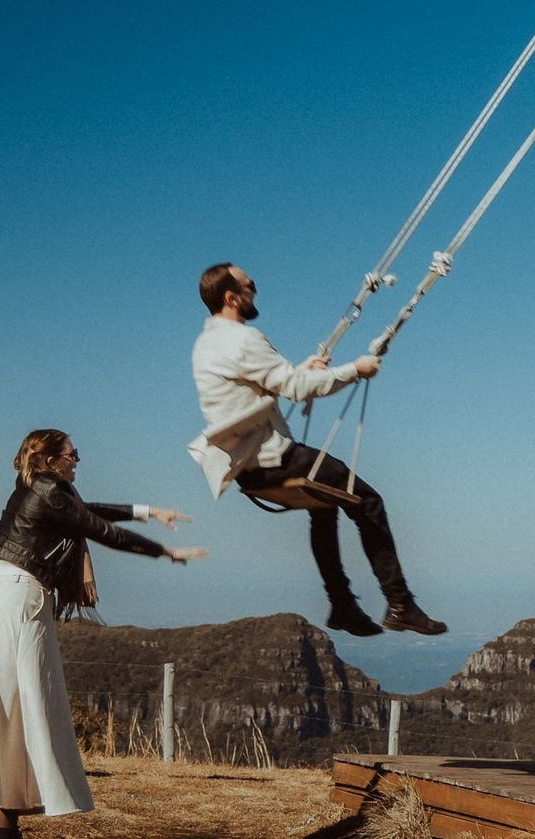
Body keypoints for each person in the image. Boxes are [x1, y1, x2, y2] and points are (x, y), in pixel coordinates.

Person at [0, 429, 205, 839]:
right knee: (0, 720)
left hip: (18, 602)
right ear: (48, 459)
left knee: (14, 724)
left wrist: (149, 512)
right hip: (20, 606)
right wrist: (165, 552)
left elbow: (89, 513)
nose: (77, 460)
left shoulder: (43, 489)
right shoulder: (47, 491)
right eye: (71, 455)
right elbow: (98, 528)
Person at [187, 261, 447, 637]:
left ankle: (342, 605)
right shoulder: (244, 338)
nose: (254, 290)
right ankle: (400, 604)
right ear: (231, 297)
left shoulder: (206, 343)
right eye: (249, 285)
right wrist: (356, 369)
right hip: (273, 459)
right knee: (369, 503)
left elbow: (263, 382)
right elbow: (296, 389)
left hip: (245, 468)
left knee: (325, 507)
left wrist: (303, 369)